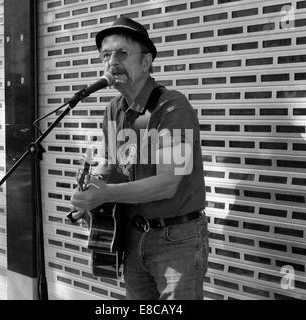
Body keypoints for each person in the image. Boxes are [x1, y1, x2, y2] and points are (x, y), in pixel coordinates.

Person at [70, 16, 208, 300]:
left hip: (176, 239)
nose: (112, 61)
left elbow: (169, 182)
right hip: (132, 237)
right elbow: (111, 165)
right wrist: (91, 189)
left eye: (122, 53)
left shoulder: (173, 107)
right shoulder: (112, 110)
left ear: (146, 63)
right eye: (105, 55)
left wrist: (106, 193)